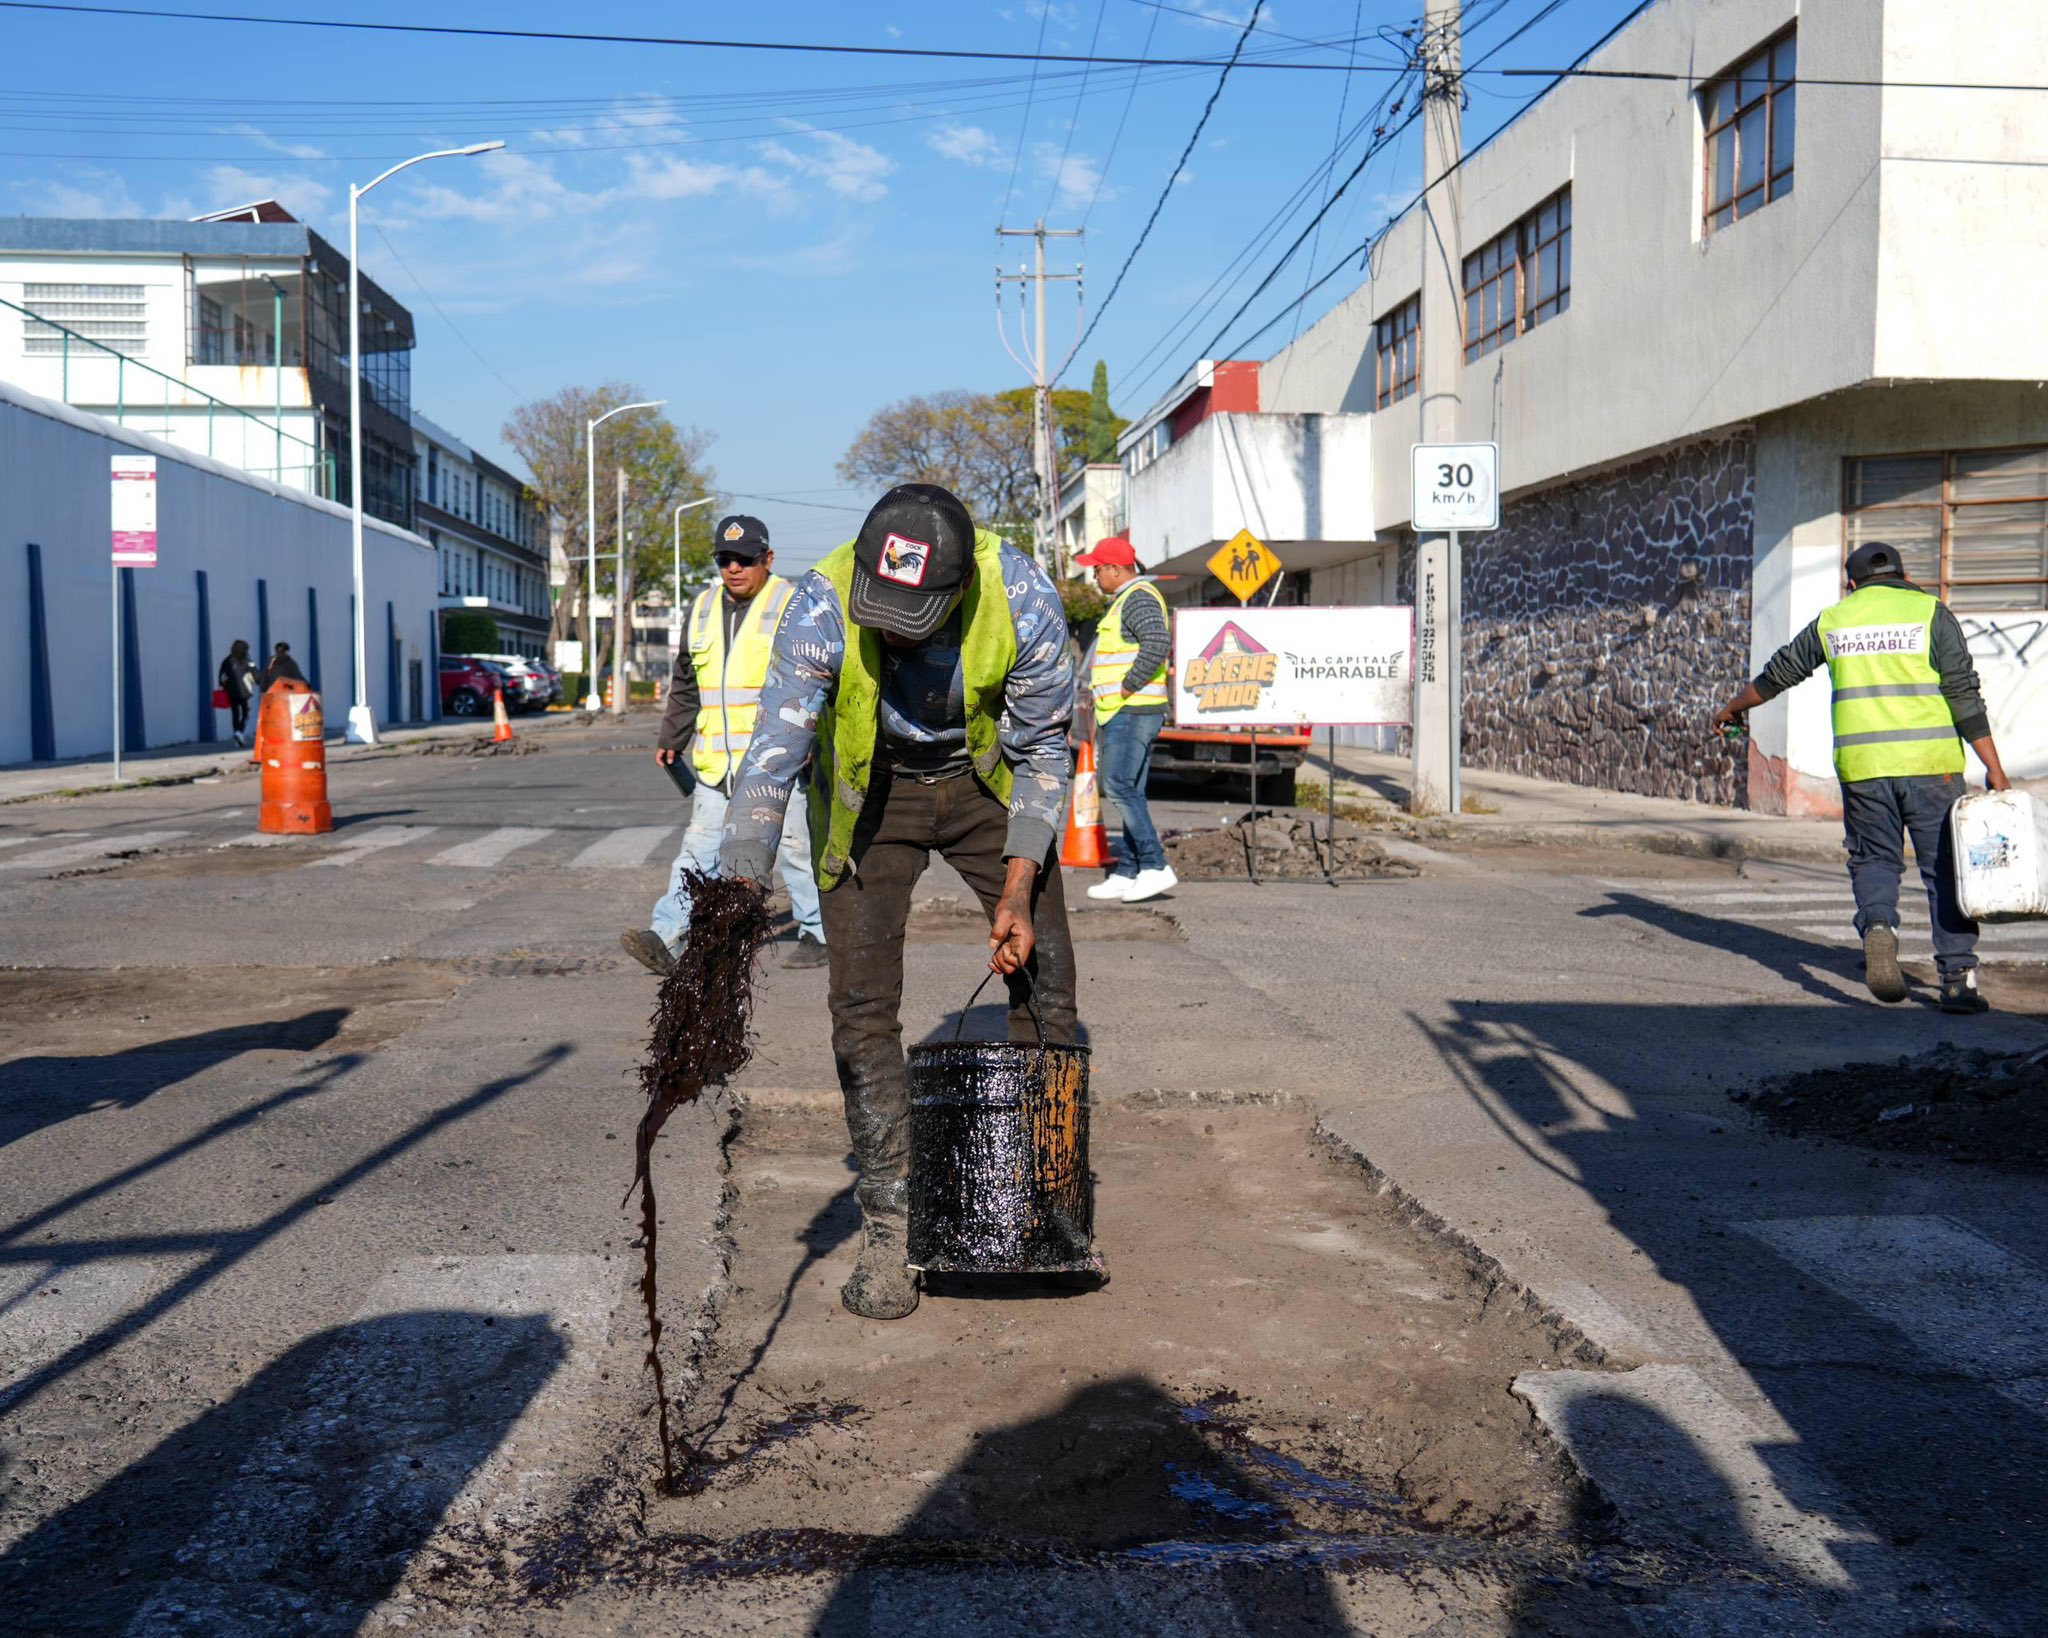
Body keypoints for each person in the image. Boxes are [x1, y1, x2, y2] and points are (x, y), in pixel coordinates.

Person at [719, 483, 1078, 1321]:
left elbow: (1044, 752)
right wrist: (740, 885)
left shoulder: (1020, 594)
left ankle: (1040, 1198)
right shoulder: (820, 601)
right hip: (869, 794)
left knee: (1048, 973)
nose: (887, 629)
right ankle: (892, 1221)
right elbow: (775, 752)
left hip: (985, 782)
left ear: (956, 590)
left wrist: (1020, 886)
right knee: (862, 1006)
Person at [1713, 539, 2014, 1014]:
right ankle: (1957, 979)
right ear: (1904, 575)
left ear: (1852, 584)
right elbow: (1962, 693)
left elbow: (1781, 672)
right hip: (1930, 766)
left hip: (1863, 770)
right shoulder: (1932, 613)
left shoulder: (1836, 620)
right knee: (1944, 870)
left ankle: (1879, 927)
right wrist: (1994, 769)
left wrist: (1734, 707)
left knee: (1875, 860)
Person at [620, 515, 827, 975]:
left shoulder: (794, 605)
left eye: (745, 559)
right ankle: (668, 936)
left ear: (767, 559)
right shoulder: (700, 608)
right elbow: (685, 681)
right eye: (724, 560)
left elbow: (823, 678)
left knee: (794, 846)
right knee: (697, 852)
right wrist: (672, 738)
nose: (734, 568)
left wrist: (813, 741)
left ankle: (818, 931)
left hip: (778, 761)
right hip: (715, 762)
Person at [1074, 534, 1177, 903]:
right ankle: (1129, 870)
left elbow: (1157, 643)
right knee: (1132, 789)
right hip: (1128, 710)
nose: (1095, 577)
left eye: (1098, 569)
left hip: (1131, 710)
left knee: (1117, 785)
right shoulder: (1127, 600)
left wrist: (1127, 688)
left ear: (1116, 570)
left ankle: (1153, 864)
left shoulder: (1137, 599)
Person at [217, 639, 260, 747]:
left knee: (235, 714)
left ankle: (237, 736)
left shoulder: (227, 661)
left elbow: (222, 677)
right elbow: (257, 676)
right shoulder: (248, 661)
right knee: (246, 714)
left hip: (231, 692)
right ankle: (239, 732)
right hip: (245, 693)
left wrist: (222, 686)